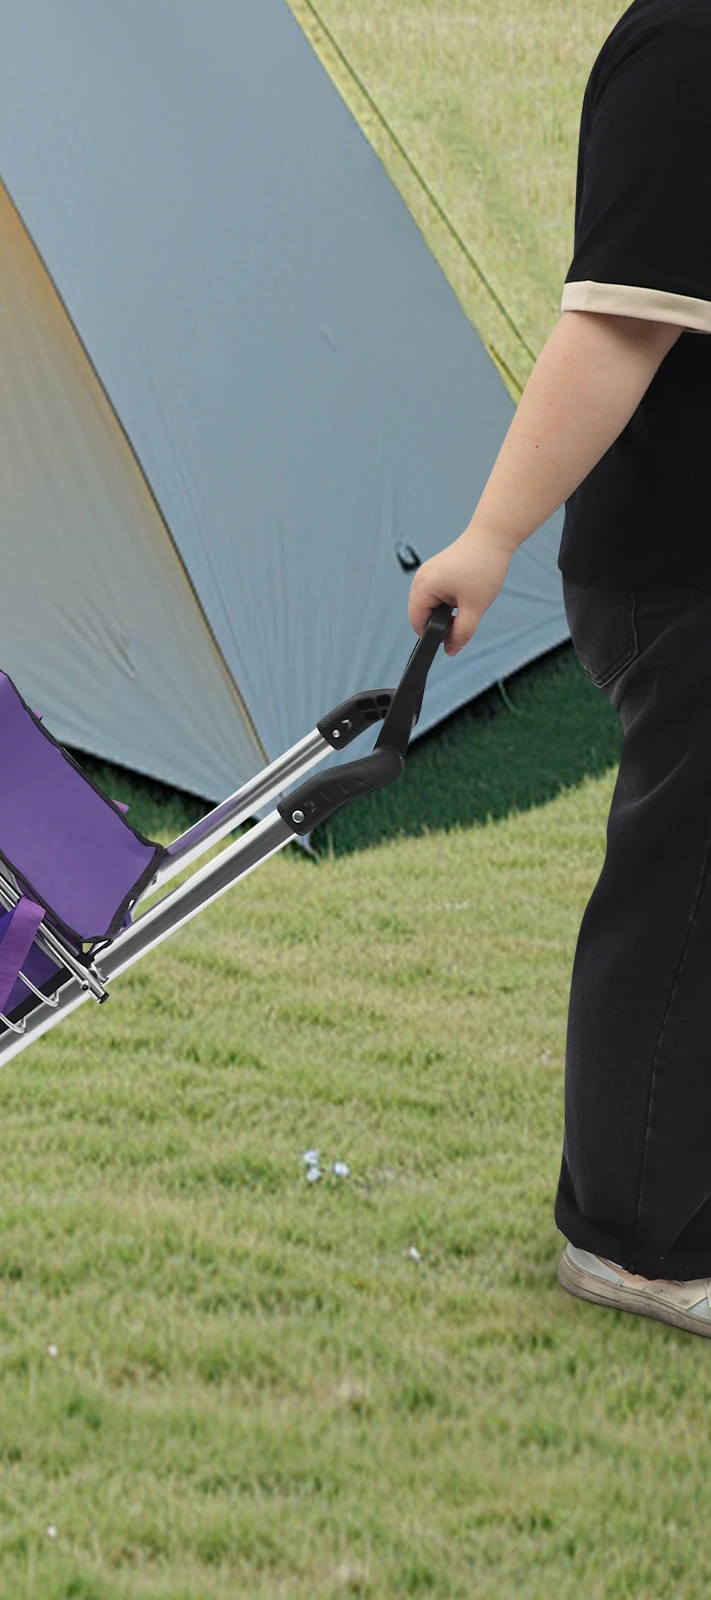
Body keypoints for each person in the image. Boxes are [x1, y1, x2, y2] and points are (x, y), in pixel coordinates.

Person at [406, 0, 711, 1335]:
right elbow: (615, 325)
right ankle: (635, 1237)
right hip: (684, 567)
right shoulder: (687, 47)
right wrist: (493, 535)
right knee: (690, 891)